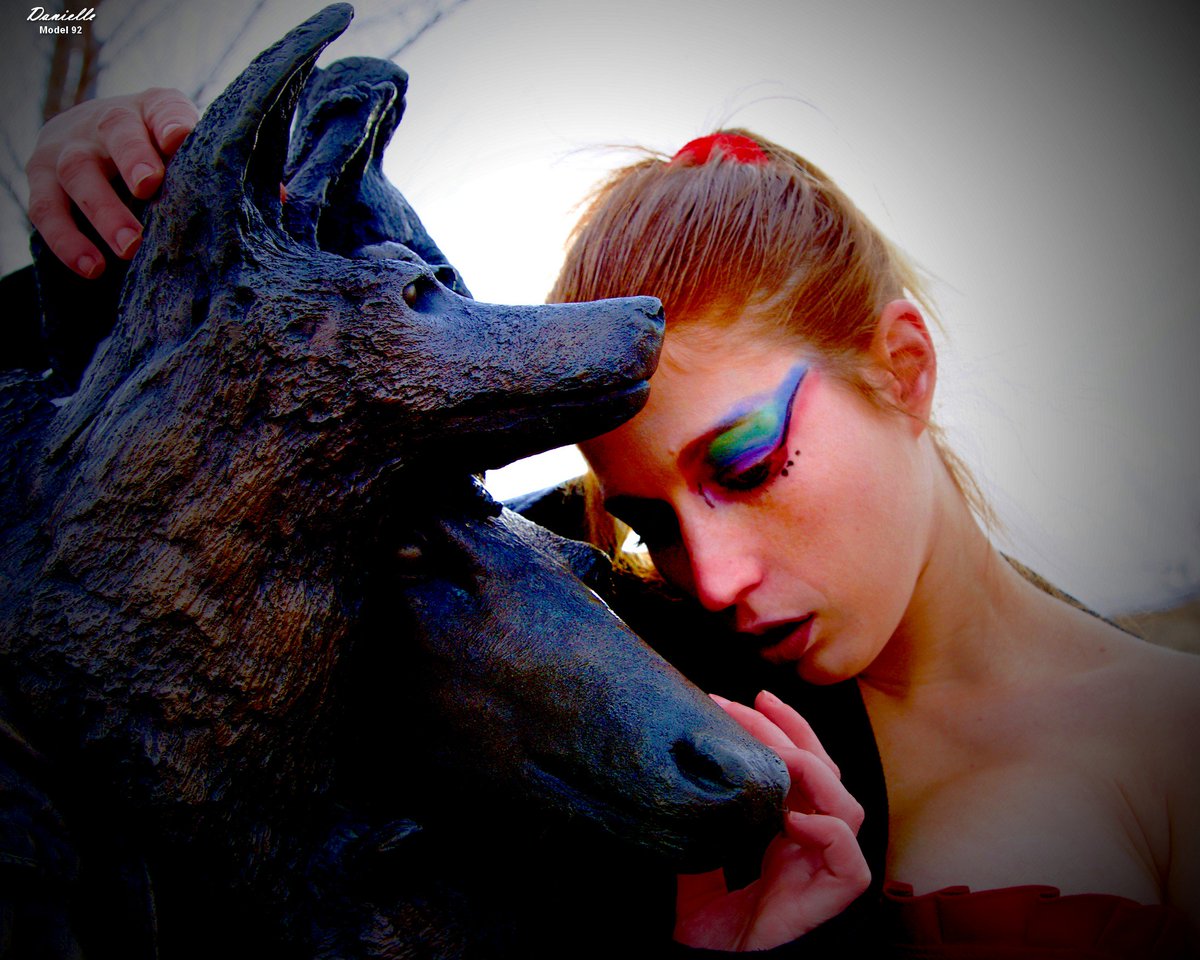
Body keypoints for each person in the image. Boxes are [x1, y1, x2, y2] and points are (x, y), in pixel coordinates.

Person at [23, 92, 1200, 958]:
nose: (716, 575)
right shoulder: (635, 695)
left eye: (746, 464)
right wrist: (129, 189)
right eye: (648, 525)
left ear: (902, 367)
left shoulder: (1172, 730)